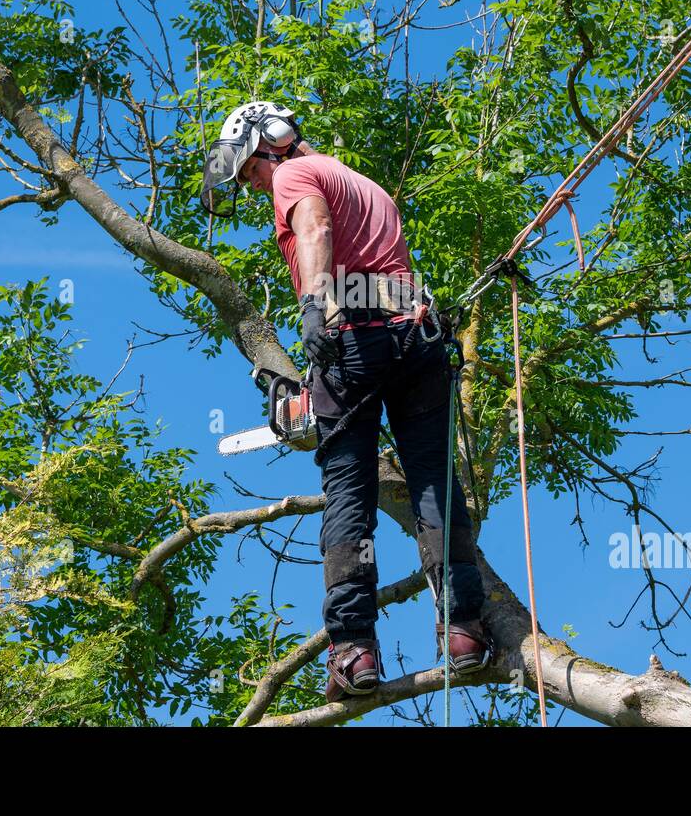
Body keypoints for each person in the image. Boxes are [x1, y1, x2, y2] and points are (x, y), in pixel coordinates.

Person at [201, 101, 490, 702]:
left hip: (357, 343)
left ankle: (353, 648)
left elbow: (313, 228)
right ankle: (464, 629)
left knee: (349, 494)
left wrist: (314, 306)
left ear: (267, 144)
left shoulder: (292, 175)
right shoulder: (360, 181)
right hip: (416, 339)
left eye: (250, 170)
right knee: (435, 485)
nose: (256, 185)